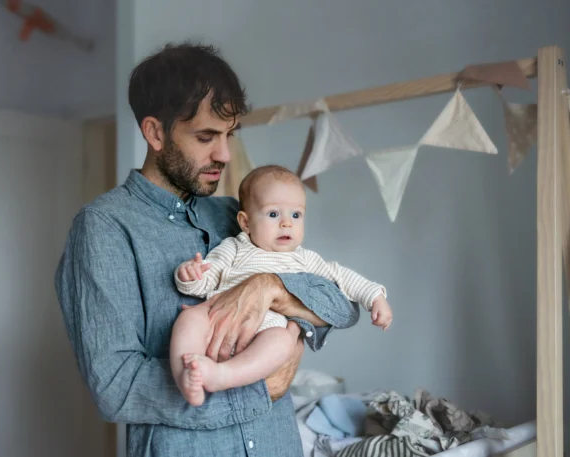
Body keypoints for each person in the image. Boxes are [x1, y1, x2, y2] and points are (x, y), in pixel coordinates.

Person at [55, 42, 361, 457]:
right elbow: (116, 387)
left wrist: (271, 289)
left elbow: (341, 309)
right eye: (206, 136)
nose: (223, 154)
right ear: (155, 132)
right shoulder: (104, 228)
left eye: (229, 135)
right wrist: (262, 387)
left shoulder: (237, 214)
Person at [170, 165, 392, 407]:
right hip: (218, 316)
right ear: (245, 223)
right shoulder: (234, 248)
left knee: (283, 343)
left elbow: (343, 277)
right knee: (189, 320)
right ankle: (186, 377)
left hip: (268, 329)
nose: (287, 223)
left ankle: (222, 376)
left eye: (296, 215)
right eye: (274, 214)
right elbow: (206, 280)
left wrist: (375, 297)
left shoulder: (304, 258)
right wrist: (190, 275)